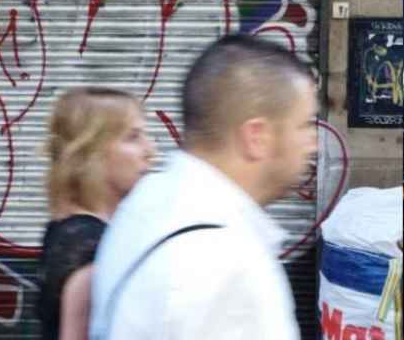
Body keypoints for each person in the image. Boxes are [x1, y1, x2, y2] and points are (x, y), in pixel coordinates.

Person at [88, 34, 319, 340]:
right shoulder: (229, 264)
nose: (313, 143)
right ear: (257, 137)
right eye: (305, 125)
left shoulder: (147, 201)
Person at [37, 87, 157, 340]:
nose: (150, 151)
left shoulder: (73, 230)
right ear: (93, 151)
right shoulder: (87, 247)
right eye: (133, 137)